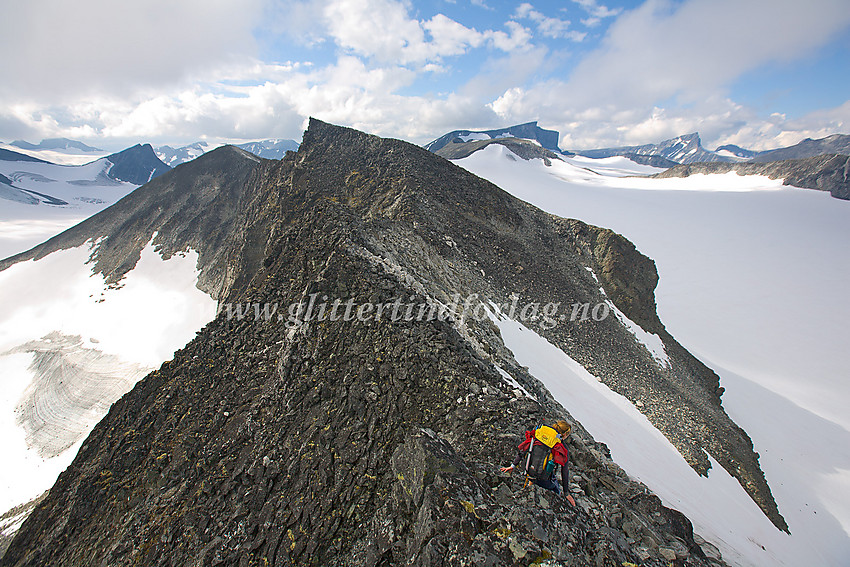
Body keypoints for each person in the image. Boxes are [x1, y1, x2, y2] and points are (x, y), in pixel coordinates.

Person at [500, 420, 576, 506]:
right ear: (565, 435)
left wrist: (512, 466)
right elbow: (564, 470)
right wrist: (566, 493)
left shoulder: (539, 434)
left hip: (528, 470)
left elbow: (524, 450)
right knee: (556, 488)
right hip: (542, 479)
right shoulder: (560, 445)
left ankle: (530, 484)